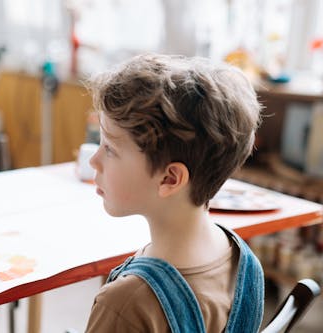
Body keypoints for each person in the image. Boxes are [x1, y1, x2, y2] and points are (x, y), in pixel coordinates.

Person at [85, 54, 264, 333]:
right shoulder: (246, 266)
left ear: (170, 178)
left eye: (109, 148)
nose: (93, 161)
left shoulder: (126, 306)